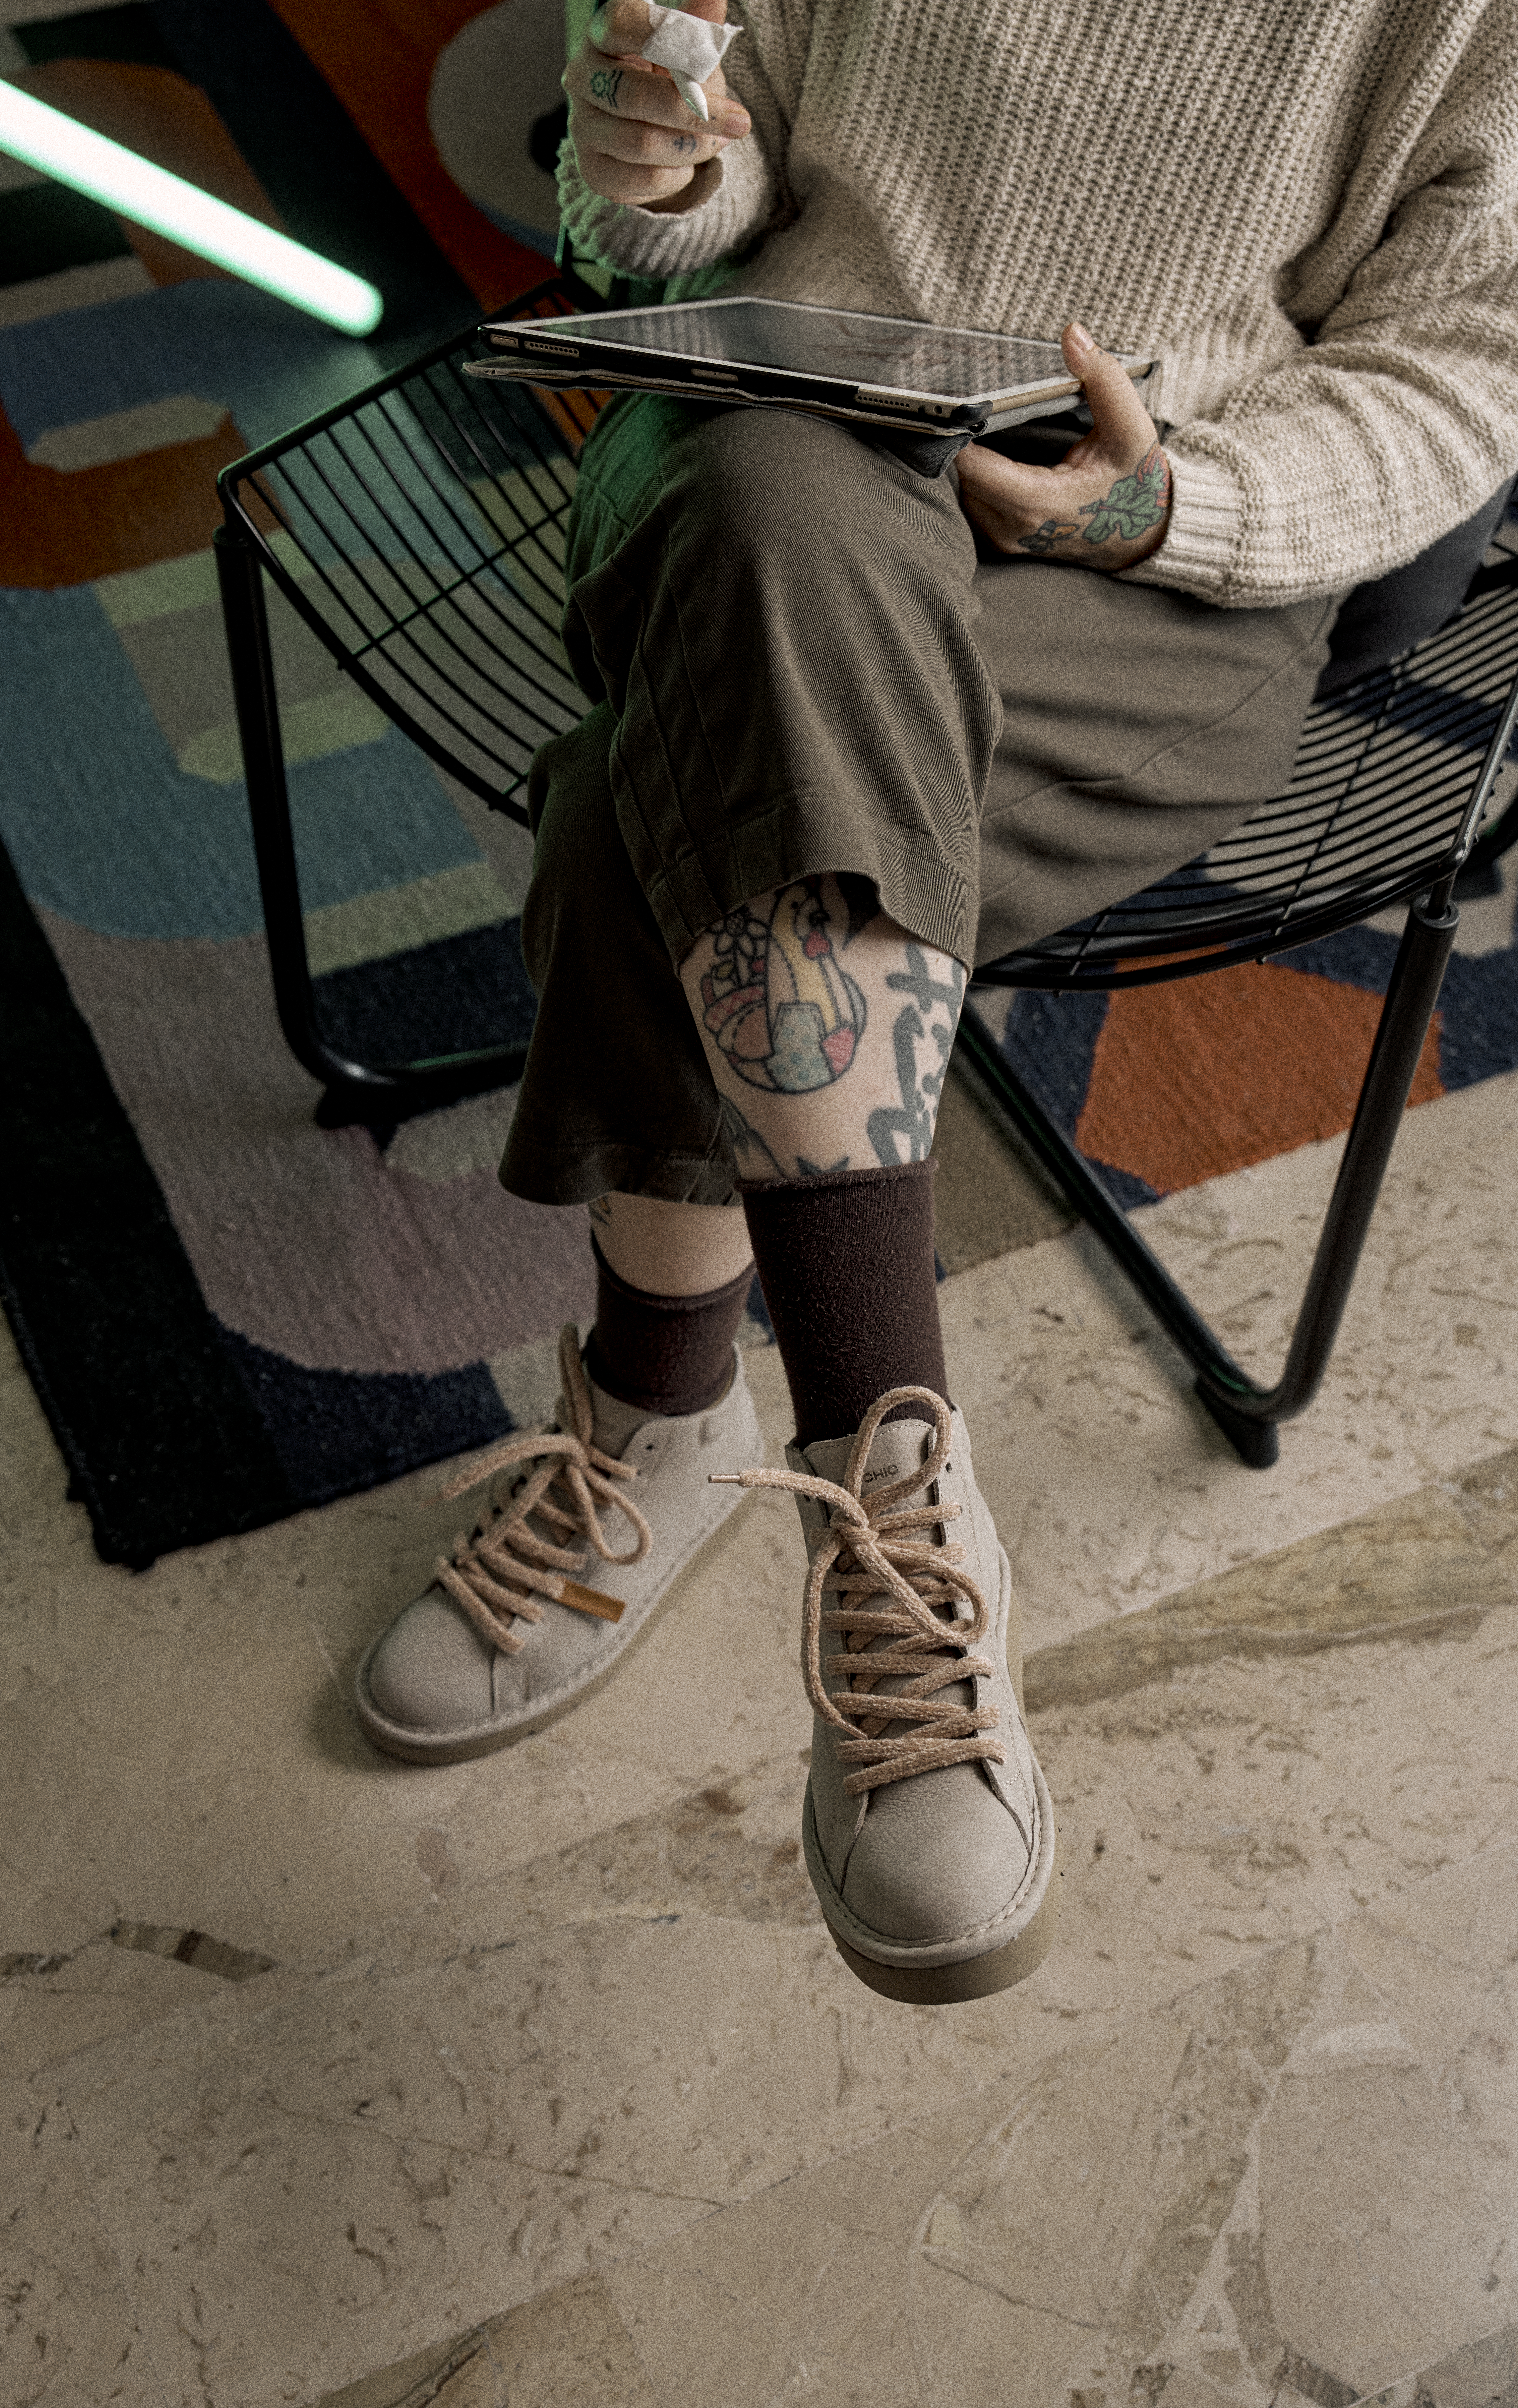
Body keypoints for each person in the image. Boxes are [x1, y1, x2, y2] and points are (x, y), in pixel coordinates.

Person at [356, 0, 1518, 2003]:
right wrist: (656, 162)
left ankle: (663, 1401)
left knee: (645, 805)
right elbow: (700, 173)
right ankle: (892, 1482)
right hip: (756, 446)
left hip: (1160, 558)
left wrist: (1165, 512)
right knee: (782, 527)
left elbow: (1463, 369)